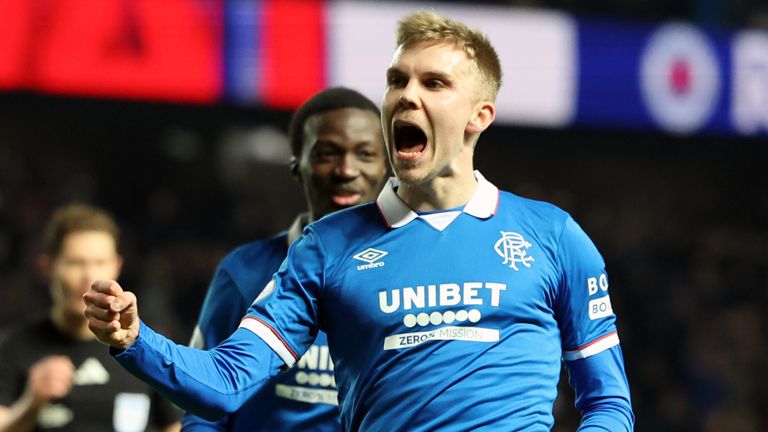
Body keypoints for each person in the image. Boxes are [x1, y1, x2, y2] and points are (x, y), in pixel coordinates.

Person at [84, 11, 635, 431]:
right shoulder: (326, 247)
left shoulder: (554, 236)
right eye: (398, 81)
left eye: (434, 84)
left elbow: (608, 402)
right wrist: (135, 338)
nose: (406, 97)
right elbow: (226, 383)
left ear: (479, 115)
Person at [182, 87, 388, 431]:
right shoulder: (243, 271)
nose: (345, 170)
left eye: (365, 154)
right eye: (326, 154)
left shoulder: (410, 270)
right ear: (297, 165)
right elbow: (202, 400)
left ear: (386, 165)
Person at [0, 204, 180, 432]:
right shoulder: (12, 349)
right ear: (47, 267)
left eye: (100, 263)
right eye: (76, 263)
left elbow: (175, 426)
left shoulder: (147, 349)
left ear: (117, 267)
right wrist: (31, 403)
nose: (89, 277)